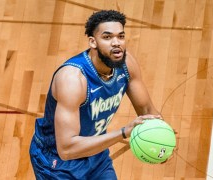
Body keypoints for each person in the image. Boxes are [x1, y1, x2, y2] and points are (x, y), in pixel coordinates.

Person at [29, 10, 162, 179]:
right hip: (57, 163)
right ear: (93, 42)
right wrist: (123, 132)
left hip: (96, 154)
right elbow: (67, 149)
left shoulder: (127, 64)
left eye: (120, 36)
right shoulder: (72, 79)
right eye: (107, 37)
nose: (116, 43)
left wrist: (163, 137)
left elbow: (147, 109)